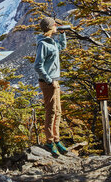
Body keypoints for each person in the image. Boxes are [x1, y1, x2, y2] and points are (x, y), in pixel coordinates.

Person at [34, 17, 68, 156]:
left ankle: (56, 139)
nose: (56, 27)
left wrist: (63, 33)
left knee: (58, 111)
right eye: (55, 25)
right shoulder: (43, 44)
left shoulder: (52, 42)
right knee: (51, 111)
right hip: (48, 83)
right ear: (50, 27)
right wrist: (49, 80)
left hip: (55, 81)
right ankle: (49, 141)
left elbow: (62, 47)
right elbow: (38, 65)